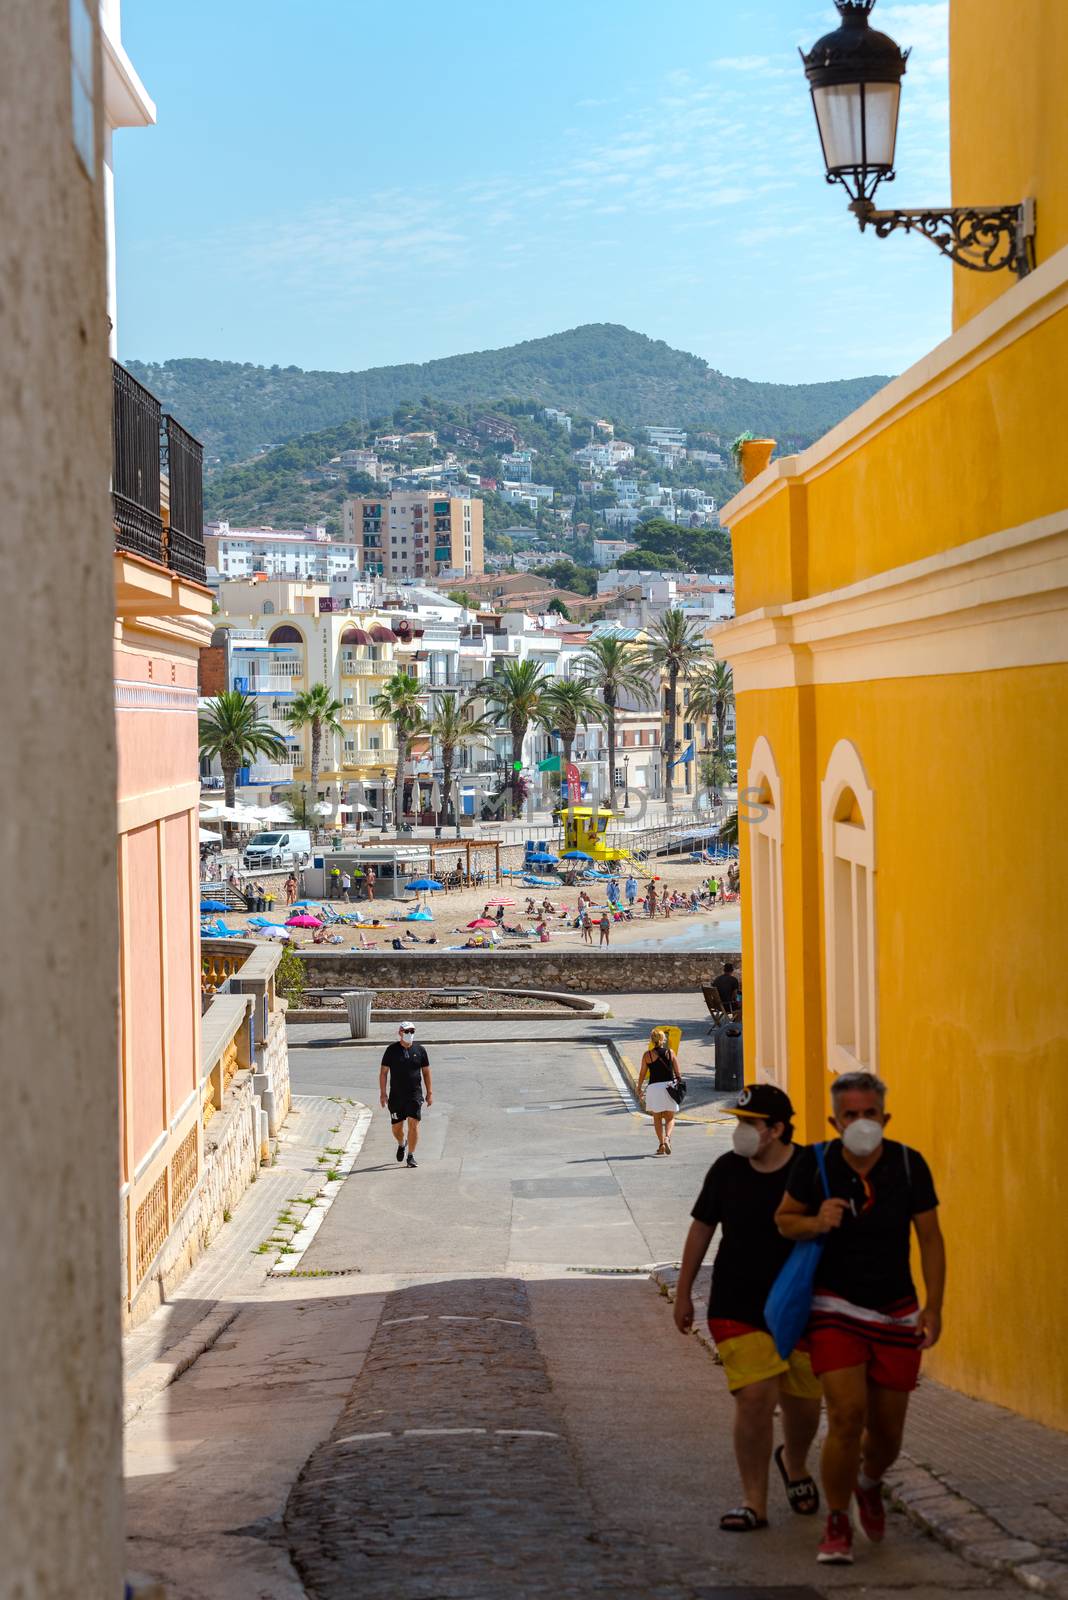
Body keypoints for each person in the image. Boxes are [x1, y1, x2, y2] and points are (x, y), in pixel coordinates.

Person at [775, 1071, 944, 1566]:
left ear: (884, 1118)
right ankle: (837, 1518)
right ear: (835, 1120)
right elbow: (784, 1221)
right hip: (833, 1310)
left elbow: (930, 1239)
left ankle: (870, 1484)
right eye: (851, 1115)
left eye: (870, 1114)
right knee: (847, 1416)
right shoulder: (815, 1162)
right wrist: (815, 1221)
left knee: (887, 1436)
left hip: (895, 1313)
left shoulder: (909, 1166)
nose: (861, 1123)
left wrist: (934, 1306)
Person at [674, 1084, 821, 1533]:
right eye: (738, 1121)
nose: (739, 1131)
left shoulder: (810, 1171)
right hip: (736, 1302)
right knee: (756, 1398)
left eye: (749, 1123)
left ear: (776, 1129)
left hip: (800, 1306)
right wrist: (682, 1293)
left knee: (803, 1407)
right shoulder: (726, 1170)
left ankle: (793, 1461)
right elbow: (701, 1230)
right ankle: (753, 1502)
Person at [379, 1022, 432, 1170]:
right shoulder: (391, 1050)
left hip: (415, 1094)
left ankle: (411, 1156)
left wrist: (429, 1093)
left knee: (413, 1124)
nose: (410, 1033)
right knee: (397, 1129)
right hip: (396, 1096)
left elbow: (426, 1072)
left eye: (412, 1031)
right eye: (407, 1031)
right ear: (400, 1032)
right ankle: (402, 1144)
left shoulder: (420, 1050)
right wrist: (383, 1094)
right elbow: (383, 1073)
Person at [636, 1029, 682, 1155]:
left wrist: (639, 1087)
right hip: (668, 1087)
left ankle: (661, 1145)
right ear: (663, 1040)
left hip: (654, 1089)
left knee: (657, 1118)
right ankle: (667, 1138)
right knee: (670, 1117)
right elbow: (678, 1073)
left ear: (652, 1040)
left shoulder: (647, 1055)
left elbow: (642, 1073)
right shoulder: (670, 1052)